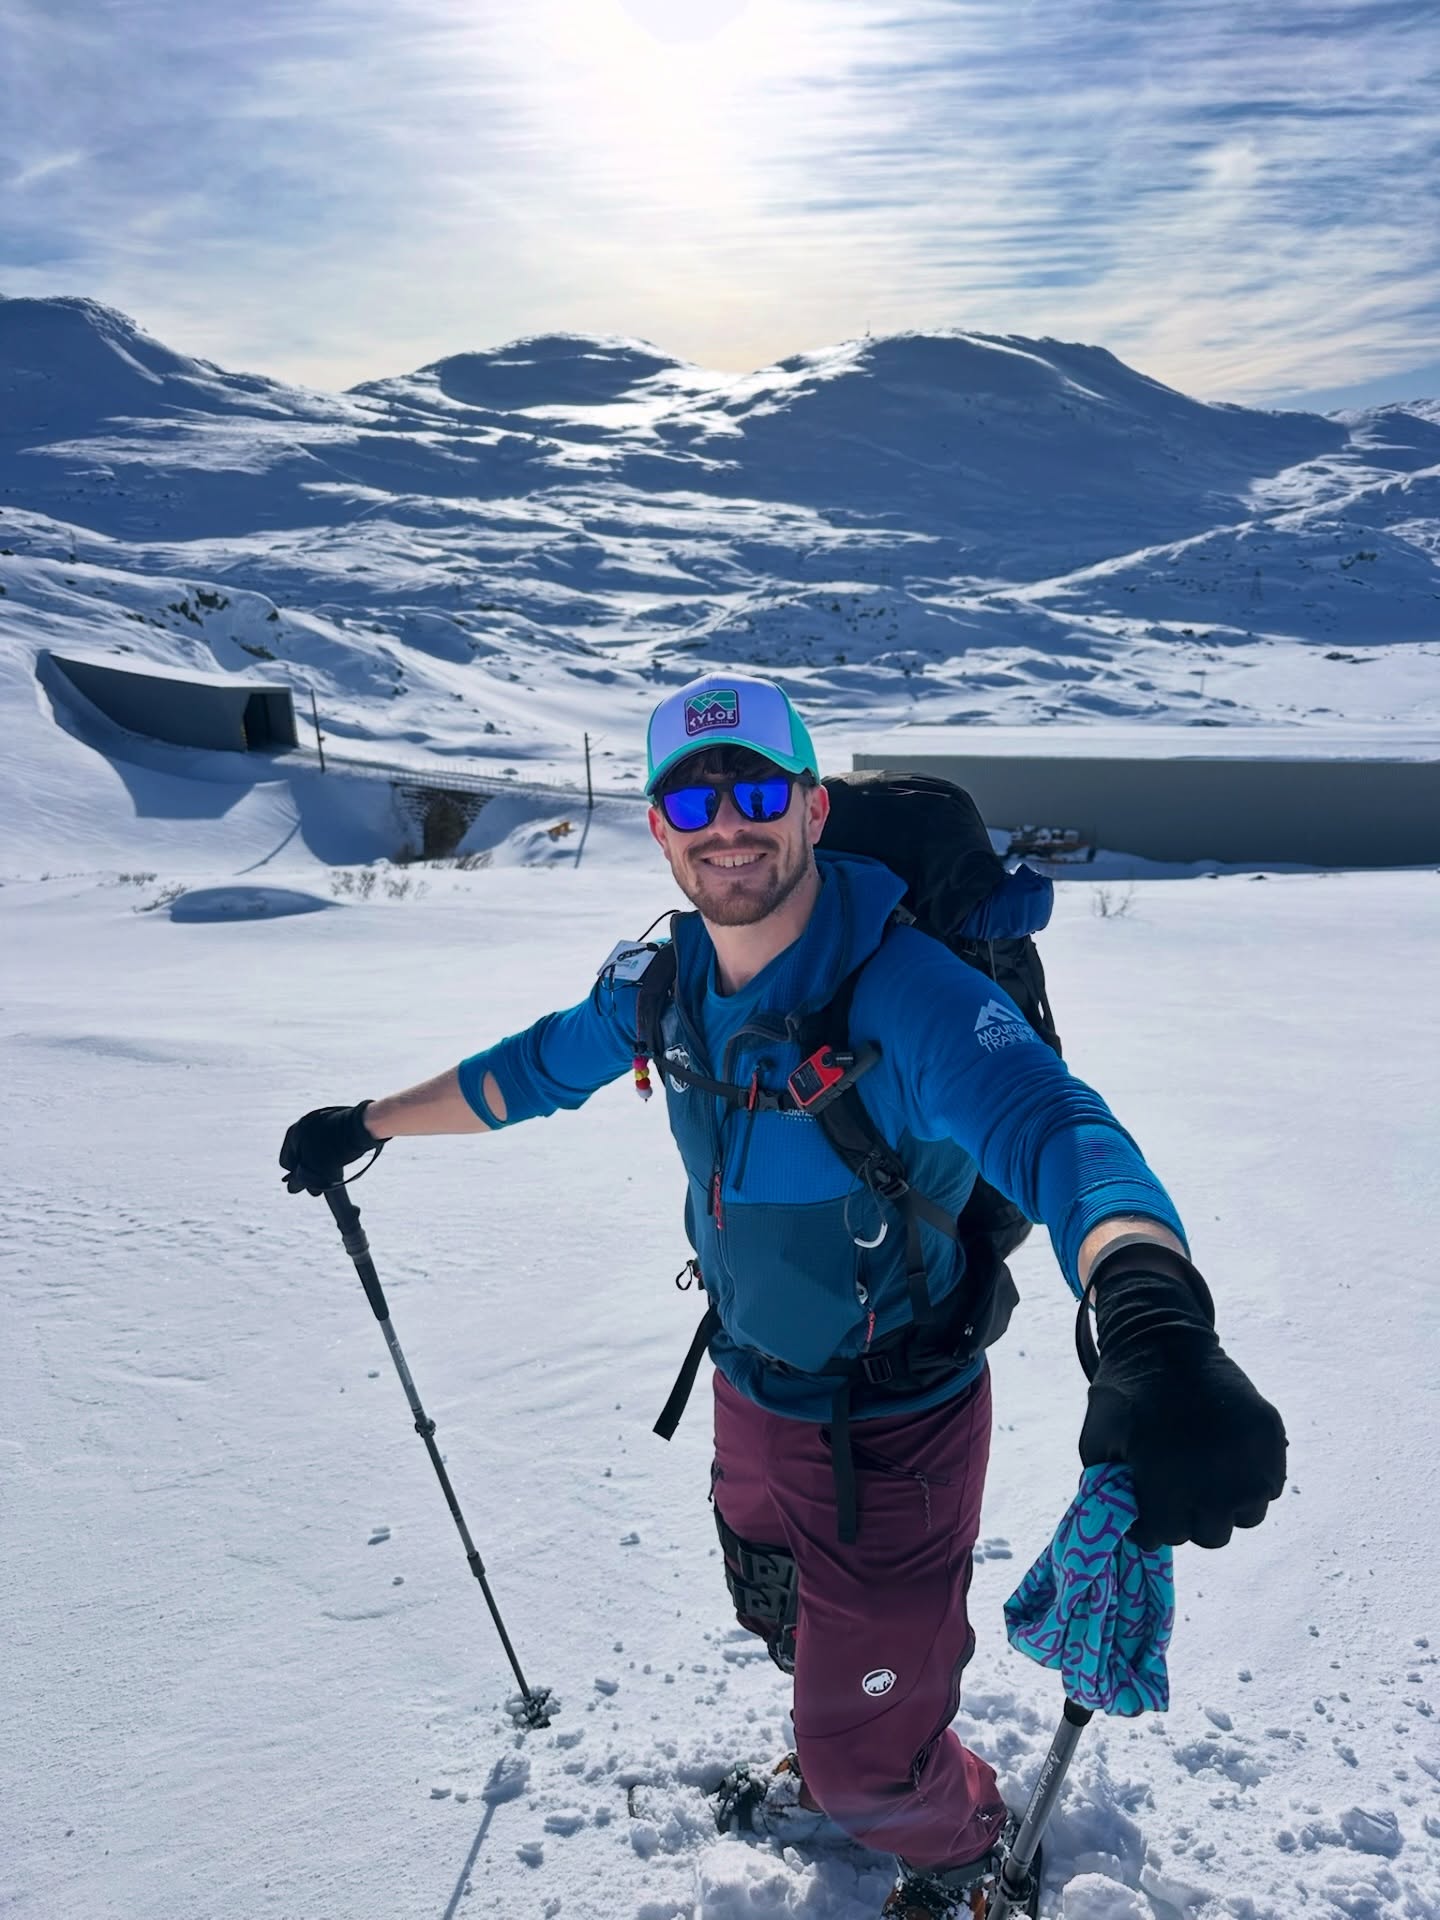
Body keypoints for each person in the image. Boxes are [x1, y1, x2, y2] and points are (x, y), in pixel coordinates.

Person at [280, 673, 1286, 1920]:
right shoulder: (661, 985)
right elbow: (531, 1070)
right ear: (657, 828)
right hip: (751, 1385)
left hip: (893, 1421)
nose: (727, 825)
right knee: (777, 1612)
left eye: (757, 790)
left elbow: (1062, 1133)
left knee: (868, 1760)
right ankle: (861, 1742)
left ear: (810, 806)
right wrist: (364, 1123)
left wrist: (1153, 1318)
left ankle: (962, 1842)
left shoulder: (904, 989)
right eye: (691, 801)